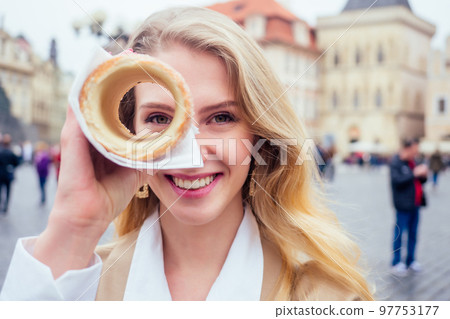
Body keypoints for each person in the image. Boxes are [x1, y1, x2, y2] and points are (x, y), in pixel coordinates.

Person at [0, 7, 373, 301]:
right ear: (126, 135)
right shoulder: (76, 286)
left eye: (222, 117)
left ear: (259, 135)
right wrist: (75, 226)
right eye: (161, 118)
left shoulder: (327, 298)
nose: (192, 155)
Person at [389, 138, 428, 277]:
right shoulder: (396, 162)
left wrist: (423, 175)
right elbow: (397, 181)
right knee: (399, 234)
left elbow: (420, 181)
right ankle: (396, 262)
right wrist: (414, 173)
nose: (416, 153)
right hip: (403, 204)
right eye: (414, 150)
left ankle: (411, 260)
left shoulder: (413, 162)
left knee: (413, 233)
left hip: (415, 204)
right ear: (407, 148)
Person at [0, 134, 20, 213]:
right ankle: (6, 206)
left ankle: (1, 205)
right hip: (8, 174)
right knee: (8, 191)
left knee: (1, 190)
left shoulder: (1, 151)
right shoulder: (12, 152)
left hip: (1, 174)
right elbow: (17, 163)